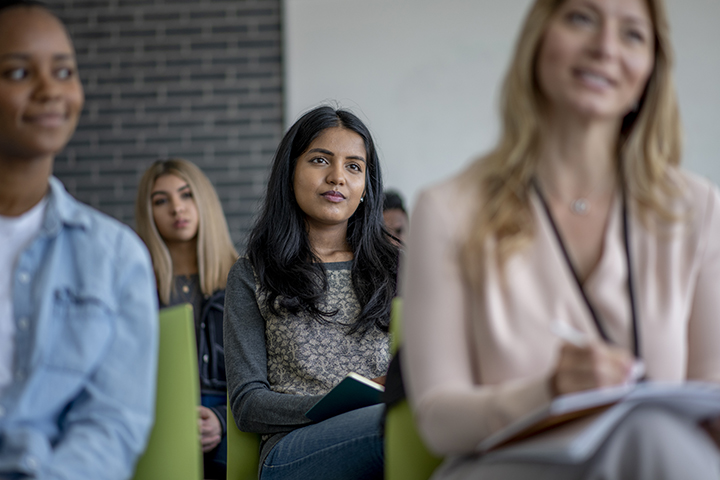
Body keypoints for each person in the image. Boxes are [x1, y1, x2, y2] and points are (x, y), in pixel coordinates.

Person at [402, 0, 720, 478]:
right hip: (509, 466)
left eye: (633, 34)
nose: (605, 48)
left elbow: (710, 393)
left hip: (652, 458)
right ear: (537, 43)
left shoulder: (698, 209)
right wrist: (548, 392)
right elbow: (438, 420)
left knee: (653, 438)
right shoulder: (448, 209)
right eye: (581, 18)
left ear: (650, 72)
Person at [0, 1, 158, 478]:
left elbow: (111, 423)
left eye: (64, 71)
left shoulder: (115, 256)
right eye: (19, 72)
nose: (50, 90)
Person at [224, 105, 399, 480]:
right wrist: (335, 405)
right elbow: (247, 404)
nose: (337, 177)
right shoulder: (251, 274)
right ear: (290, 173)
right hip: (292, 452)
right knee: (398, 428)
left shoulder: (397, 270)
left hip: (389, 428)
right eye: (321, 160)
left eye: (354, 166)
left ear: (366, 187)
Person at [135, 158, 238, 479]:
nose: (176, 208)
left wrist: (220, 419)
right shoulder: (134, 285)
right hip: (156, 413)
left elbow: (267, 374)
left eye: (186, 194)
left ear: (203, 200)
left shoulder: (244, 279)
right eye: (161, 200)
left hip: (229, 416)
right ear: (148, 213)